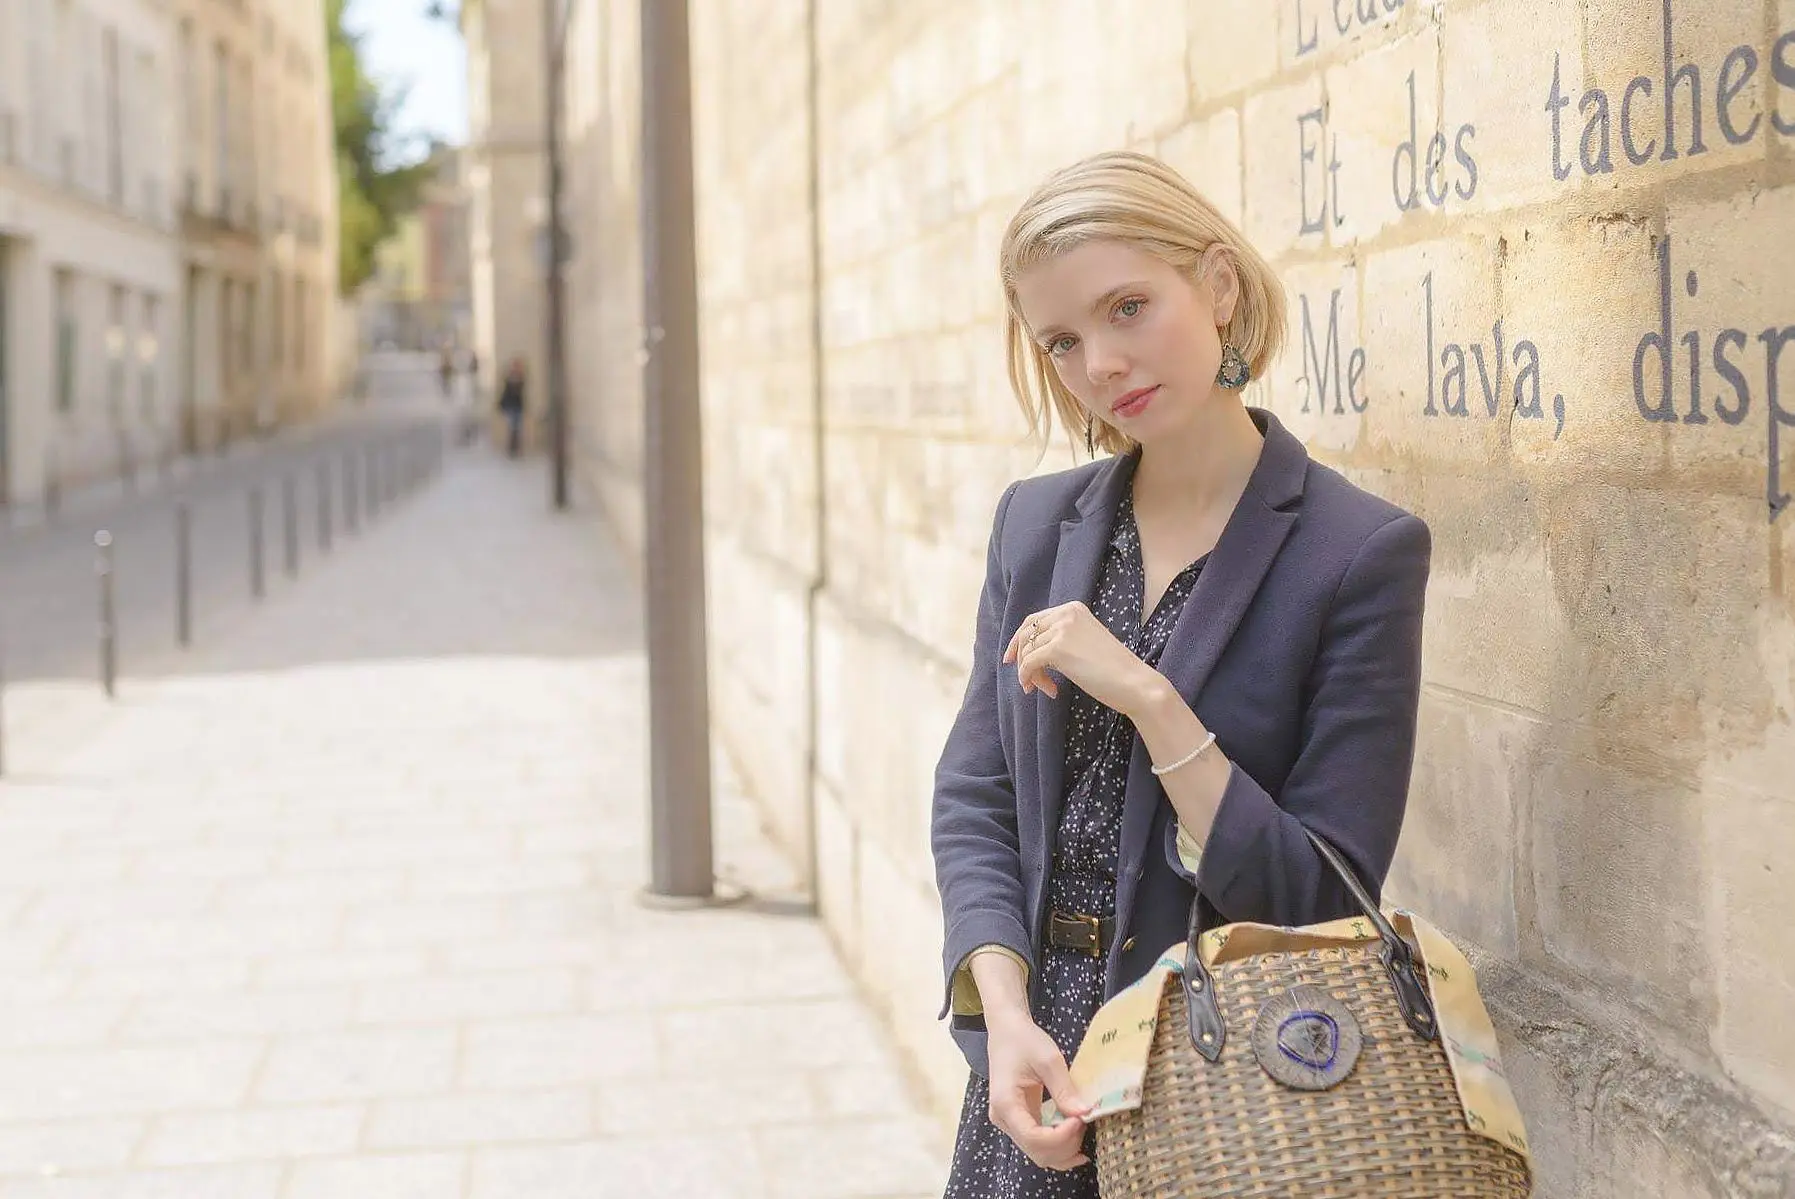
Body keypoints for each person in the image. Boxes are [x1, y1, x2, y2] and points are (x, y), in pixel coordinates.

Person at [931, 150, 1431, 1197]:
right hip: (1035, 1076)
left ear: (1217, 284)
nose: (1100, 364)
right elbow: (975, 794)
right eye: (1062, 340)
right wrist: (1004, 1017)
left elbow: (1318, 891)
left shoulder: (1357, 552)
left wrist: (1151, 699)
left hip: (1224, 1091)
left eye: (1127, 306)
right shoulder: (1035, 526)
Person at [497, 357, 527, 458]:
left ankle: (516, 448)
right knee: (512, 427)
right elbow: (506, 393)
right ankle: (511, 449)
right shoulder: (508, 378)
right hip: (510, 406)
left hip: (518, 406)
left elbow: (520, 392)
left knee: (517, 428)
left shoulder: (521, 378)